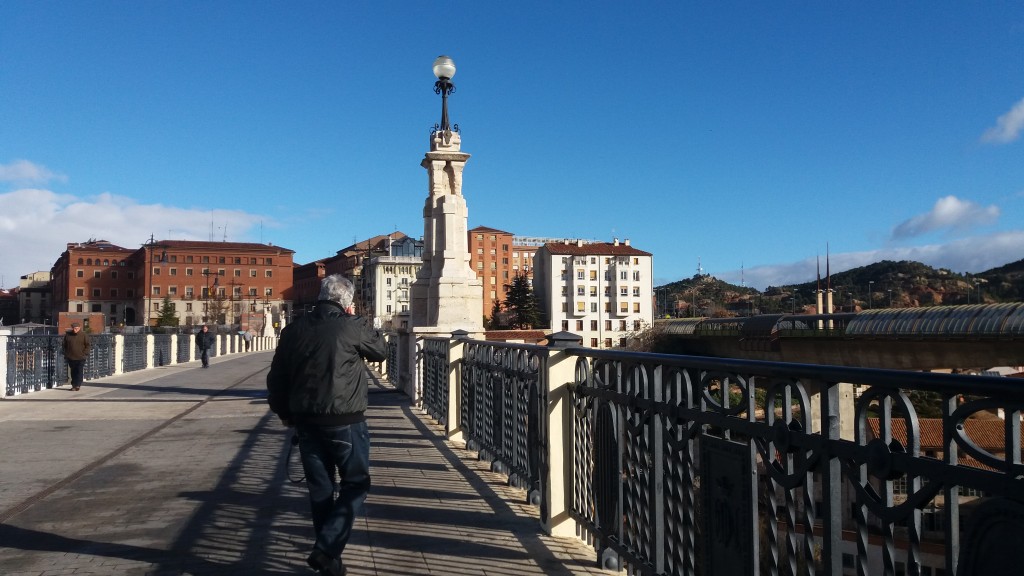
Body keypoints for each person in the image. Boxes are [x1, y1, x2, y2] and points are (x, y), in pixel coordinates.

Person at [267, 275, 387, 576]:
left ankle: (329, 564)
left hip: (306, 422)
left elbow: (277, 377)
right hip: (346, 421)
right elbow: (381, 351)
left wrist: (283, 412)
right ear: (346, 302)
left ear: (320, 296)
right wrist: (357, 320)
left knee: (320, 491)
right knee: (356, 484)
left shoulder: (294, 330)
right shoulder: (350, 326)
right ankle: (326, 549)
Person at [63, 322, 91, 391]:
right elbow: (64, 345)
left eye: (77, 328)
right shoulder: (68, 335)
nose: (75, 329)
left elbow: (88, 345)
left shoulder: (84, 335)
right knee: (73, 371)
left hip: (81, 357)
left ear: (79, 328)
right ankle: (73, 385)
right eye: (74, 328)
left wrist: (85, 353)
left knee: (79, 370)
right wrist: (66, 353)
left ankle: (78, 385)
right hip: (71, 356)